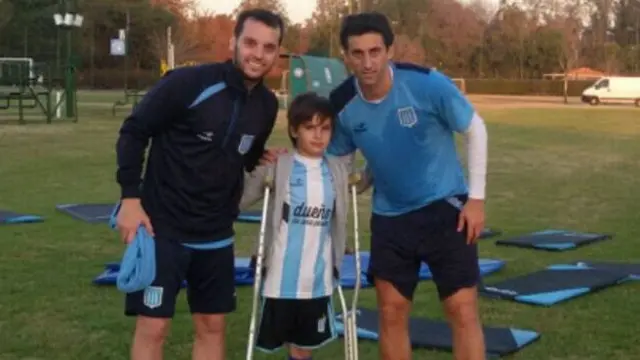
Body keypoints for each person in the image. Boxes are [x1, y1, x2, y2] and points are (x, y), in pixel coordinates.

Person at [263, 11, 489, 360]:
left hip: (447, 208)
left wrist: (476, 200)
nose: (367, 62)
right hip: (391, 219)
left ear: (389, 51)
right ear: (346, 56)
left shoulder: (427, 83)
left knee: (461, 309)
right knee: (391, 312)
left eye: (375, 51)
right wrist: (286, 167)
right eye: (358, 53)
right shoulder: (341, 103)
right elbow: (333, 160)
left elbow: (476, 129)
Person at [113, 8, 285, 360]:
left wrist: (260, 157)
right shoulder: (189, 83)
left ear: (276, 53)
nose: (258, 54)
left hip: (216, 235)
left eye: (268, 47)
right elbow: (134, 131)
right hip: (163, 229)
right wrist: (130, 199)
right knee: (154, 327)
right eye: (250, 42)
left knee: (211, 327)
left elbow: (241, 152)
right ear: (233, 42)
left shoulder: (267, 105)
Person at [240, 92, 365, 360]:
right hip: (280, 278)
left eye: (325, 128)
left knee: (303, 348)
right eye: (310, 128)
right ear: (295, 130)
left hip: (317, 278)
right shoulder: (278, 166)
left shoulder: (336, 169)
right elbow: (239, 198)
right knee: (285, 341)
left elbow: (358, 185)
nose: (318, 136)